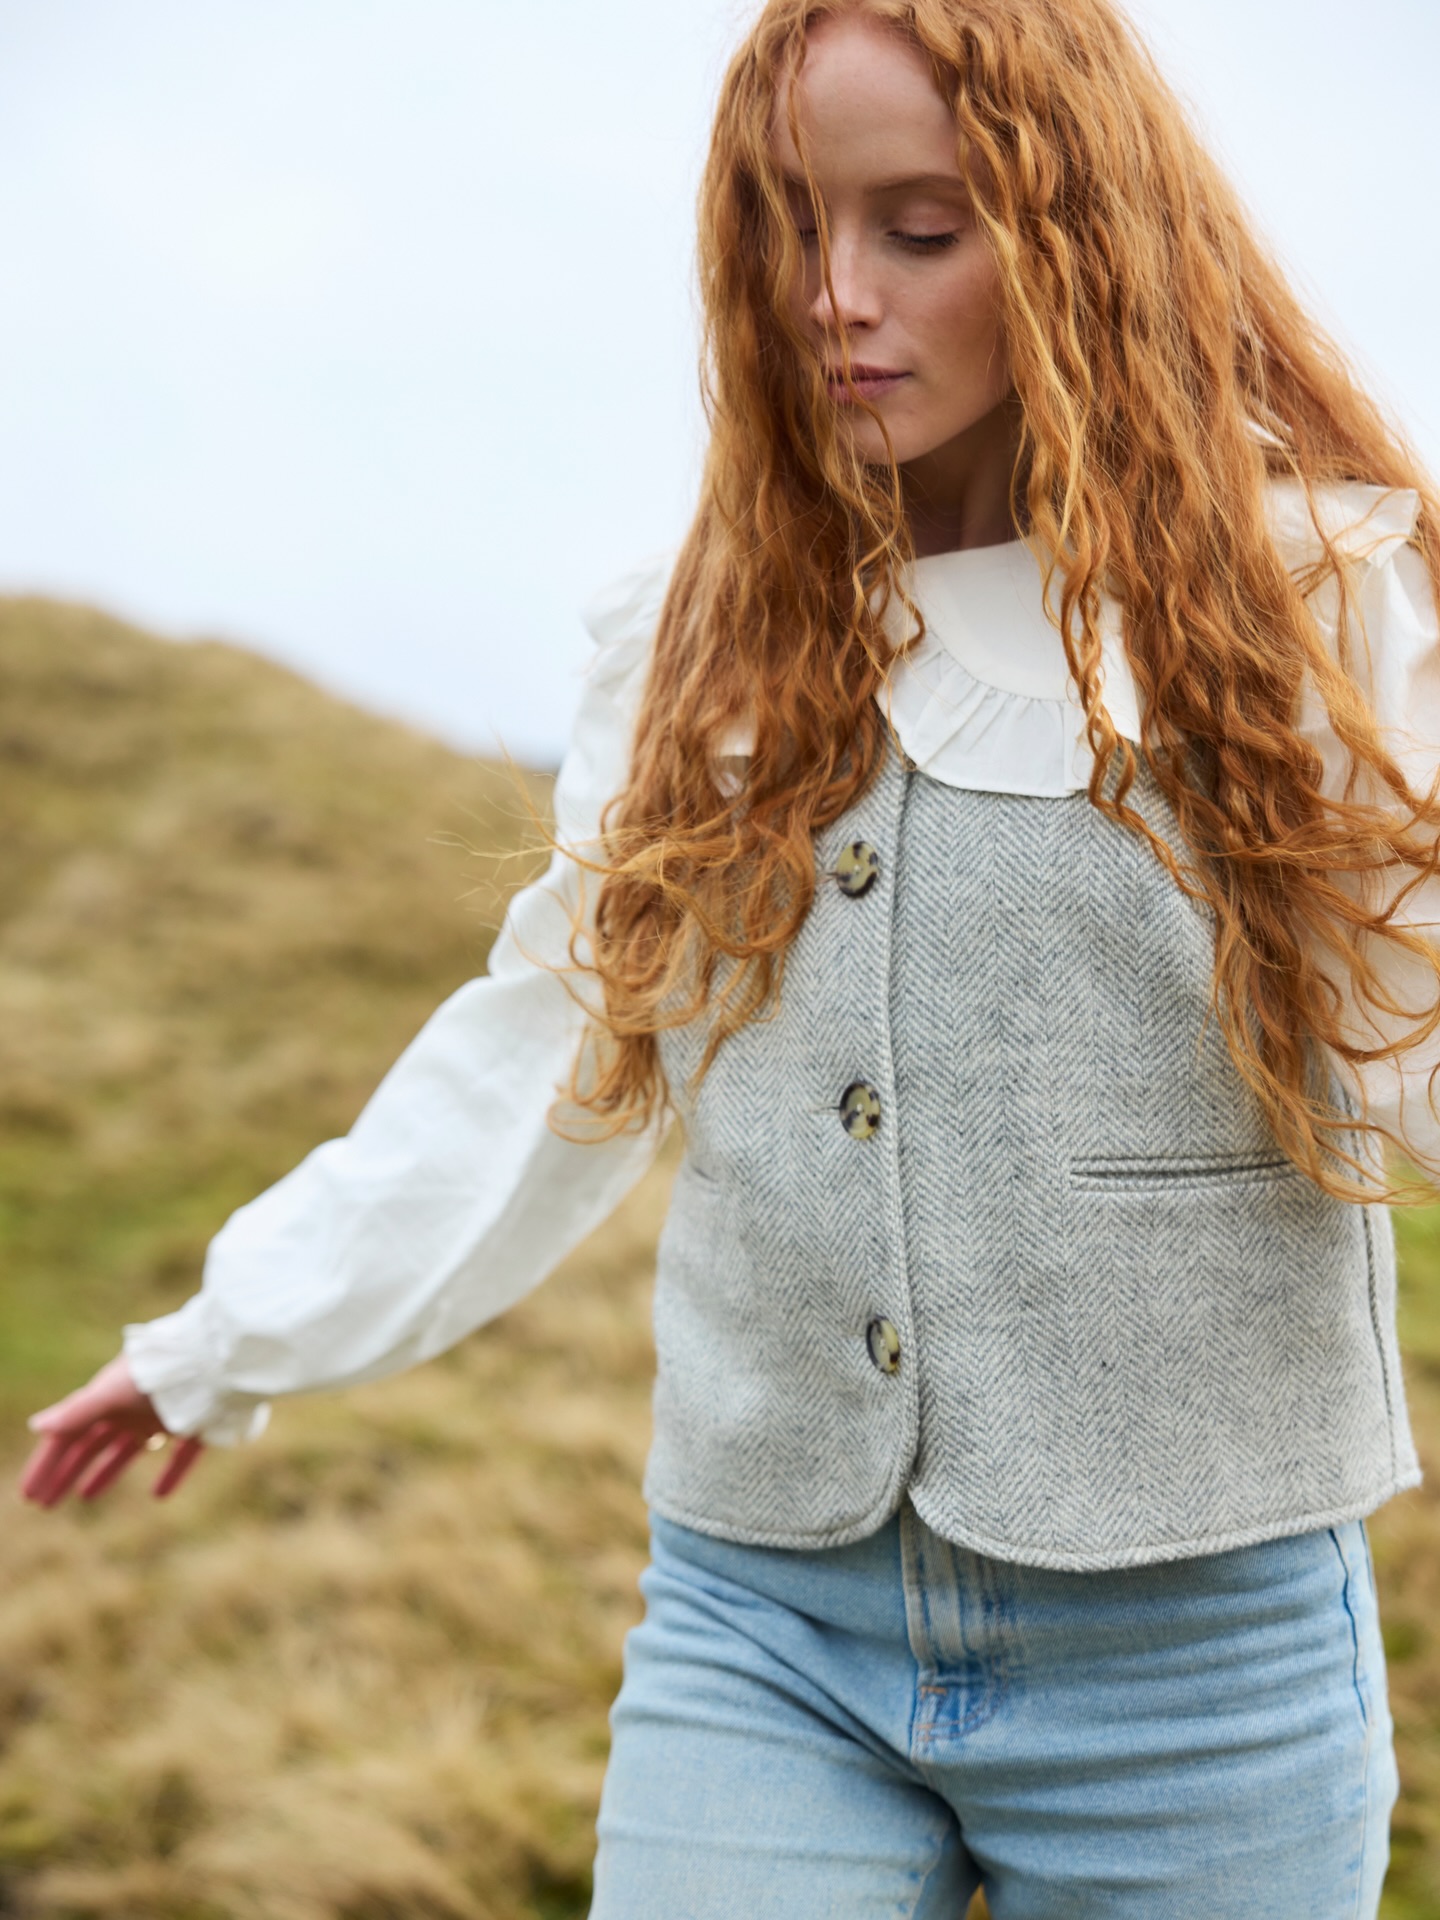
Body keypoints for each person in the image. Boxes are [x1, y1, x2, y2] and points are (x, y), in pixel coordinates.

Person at [19, 0, 1440, 1912]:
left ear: (1081, 235)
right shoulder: (708, 640)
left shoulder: (1303, 608)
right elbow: (549, 1053)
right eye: (786, 226)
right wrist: (240, 1329)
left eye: (919, 231)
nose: (833, 294)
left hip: (1202, 1666)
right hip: (765, 1628)